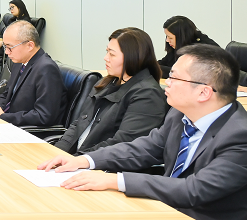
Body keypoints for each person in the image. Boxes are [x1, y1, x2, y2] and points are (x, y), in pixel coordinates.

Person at [40, 45, 247, 220]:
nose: (167, 83)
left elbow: (194, 190)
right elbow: (144, 148)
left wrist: (115, 180)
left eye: (174, 78)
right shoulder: (179, 114)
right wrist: (85, 160)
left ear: (203, 92)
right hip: (163, 212)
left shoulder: (239, 136)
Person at [54, 27, 167, 155]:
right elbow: (78, 124)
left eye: (112, 54)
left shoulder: (147, 95)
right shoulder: (106, 82)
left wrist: (78, 160)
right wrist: (56, 153)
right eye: (107, 52)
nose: (105, 58)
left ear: (133, 57)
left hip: (99, 163)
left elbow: (122, 144)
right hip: (79, 159)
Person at [0, 21, 65, 127]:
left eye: (10, 47)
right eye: (5, 47)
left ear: (30, 45)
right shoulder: (19, 62)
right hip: (9, 123)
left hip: (26, 130)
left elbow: (44, 116)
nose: (6, 52)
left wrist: (5, 117)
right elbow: (7, 94)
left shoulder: (46, 69)